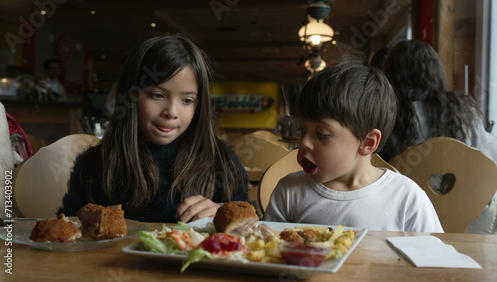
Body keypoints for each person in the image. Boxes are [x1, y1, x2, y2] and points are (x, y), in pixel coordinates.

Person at [58, 33, 250, 223]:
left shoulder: (222, 163)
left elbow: (249, 227)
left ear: (199, 106)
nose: (171, 112)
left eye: (187, 100)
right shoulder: (94, 165)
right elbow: (69, 230)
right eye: (157, 95)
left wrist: (222, 213)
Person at [262, 60, 444, 233]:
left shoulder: (405, 197)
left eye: (322, 134)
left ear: (367, 142)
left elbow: (433, 258)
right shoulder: (289, 191)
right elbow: (266, 251)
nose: (304, 143)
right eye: (302, 130)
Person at [378, 39, 497, 234]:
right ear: (435, 71)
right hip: (469, 218)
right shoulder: (462, 109)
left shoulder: (387, 114)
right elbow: (489, 159)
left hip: (409, 218)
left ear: (391, 73)